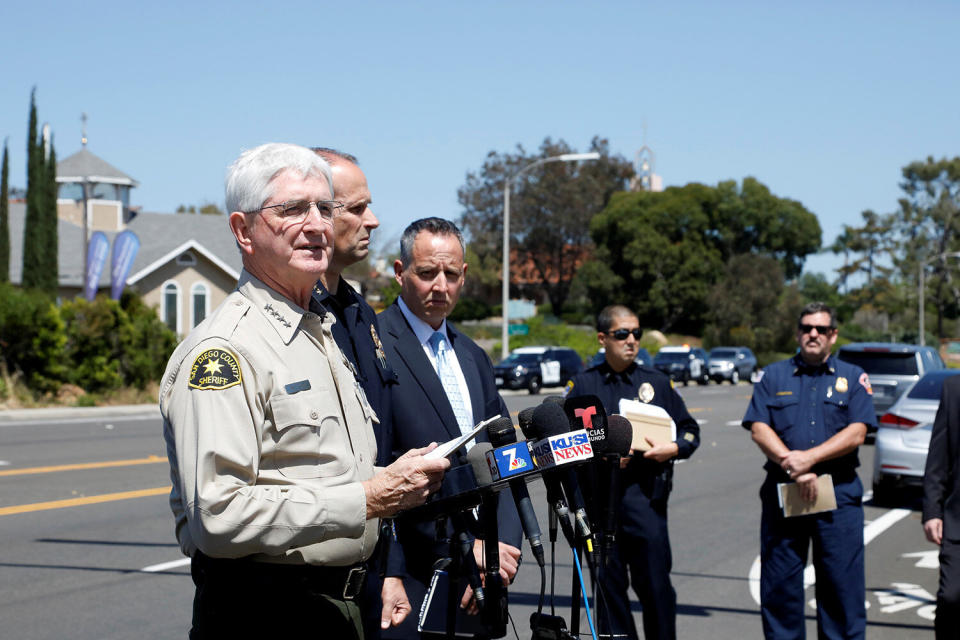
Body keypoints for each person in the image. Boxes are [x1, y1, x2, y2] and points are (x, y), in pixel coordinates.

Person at [160, 143, 450, 640]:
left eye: (323, 207)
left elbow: (321, 470)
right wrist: (367, 498)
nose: (316, 224)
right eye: (292, 209)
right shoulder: (224, 351)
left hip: (338, 609)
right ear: (241, 230)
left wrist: (396, 478)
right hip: (264, 612)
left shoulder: (317, 331)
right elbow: (218, 515)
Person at [377, 217, 522, 639]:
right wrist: (395, 567)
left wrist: (499, 556)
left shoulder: (474, 356)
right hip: (412, 575)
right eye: (426, 273)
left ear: (464, 275)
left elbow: (506, 459)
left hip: (484, 577)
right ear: (400, 272)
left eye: (451, 274)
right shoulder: (376, 344)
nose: (440, 285)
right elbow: (377, 467)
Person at [564, 304, 700, 640]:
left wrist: (674, 448)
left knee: (657, 590)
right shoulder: (583, 386)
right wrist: (602, 457)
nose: (631, 340)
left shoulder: (656, 383)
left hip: (645, 502)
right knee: (609, 597)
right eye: (622, 334)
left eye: (636, 333)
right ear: (602, 338)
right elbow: (563, 445)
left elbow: (690, 430)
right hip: (598, 508)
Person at [742, 302, 875, 640]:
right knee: (781, 586)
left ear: (833, 335)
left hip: (838, 494)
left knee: (841, 588)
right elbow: (759, 427)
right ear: (798, 333)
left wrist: (809, 460)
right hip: (784, 492)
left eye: (820, 329)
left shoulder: (853, 377)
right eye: (806, 328)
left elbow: (858, 431)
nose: (812, 334)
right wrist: (792, 463)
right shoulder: (773, 376)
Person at [309, 148, 401, 637]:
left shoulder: (360, 313)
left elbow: (381, 451)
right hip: (309, 582)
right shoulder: (293, 318)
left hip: (368, 570)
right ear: (320, 215)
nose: (374, 220)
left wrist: (392, 570)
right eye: (358, 208)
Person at [923, 374, 960, 638]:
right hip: (958, 520)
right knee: (951, 598)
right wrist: (932, 511)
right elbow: (939, 455)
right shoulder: (954, 388)